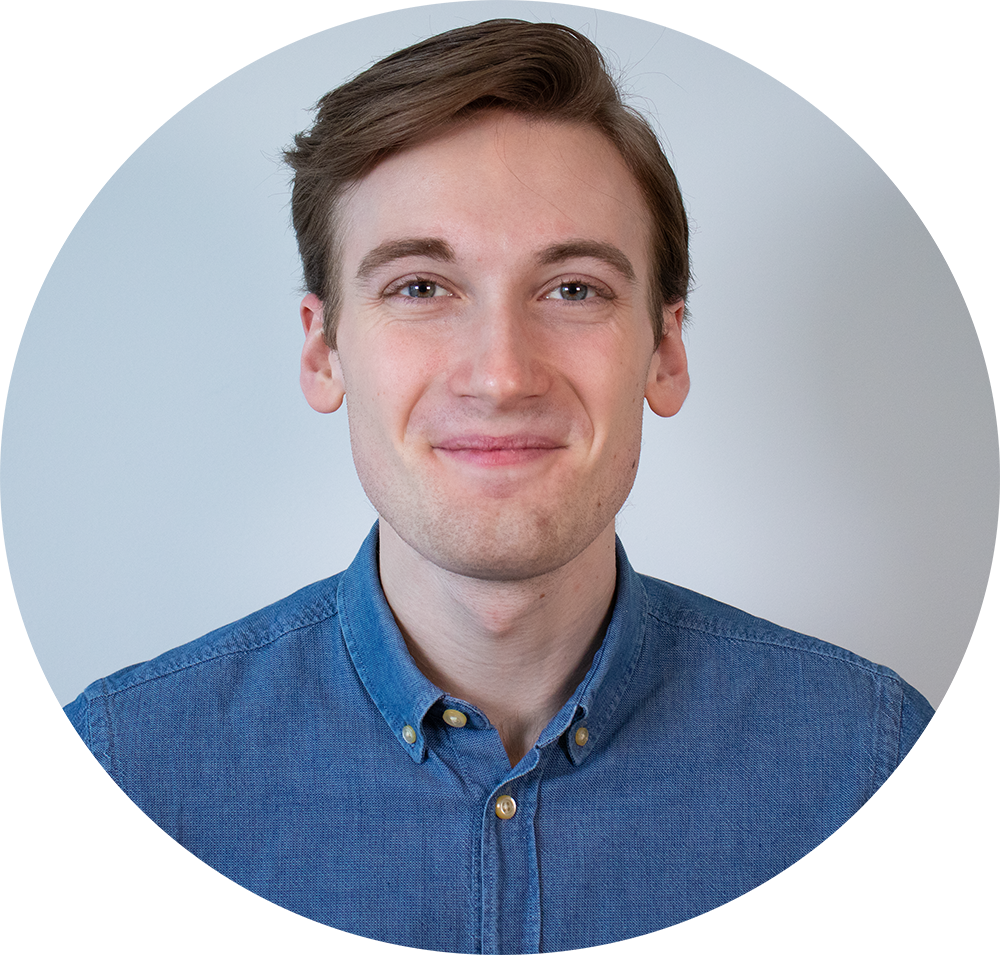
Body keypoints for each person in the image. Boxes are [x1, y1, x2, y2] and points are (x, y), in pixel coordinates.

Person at [65, 19, 932, 951]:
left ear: (666, 350)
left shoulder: (875, 768)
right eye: (420, 288)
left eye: (573, 290)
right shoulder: (110, 786)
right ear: (322, 351)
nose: (502, 375)